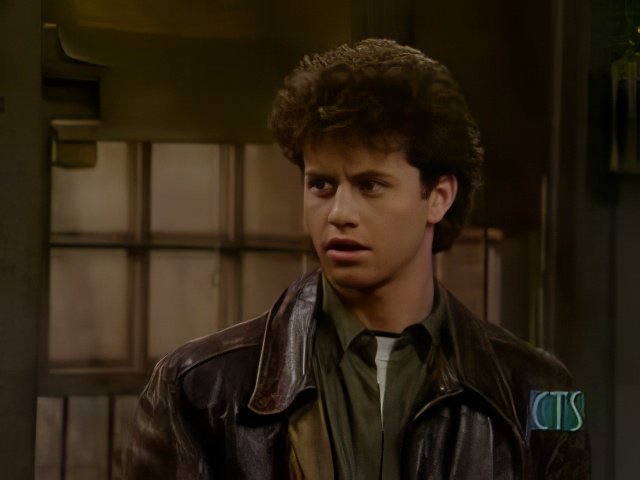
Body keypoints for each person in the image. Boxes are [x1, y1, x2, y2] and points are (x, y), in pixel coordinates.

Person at [125, 39, 590, 479]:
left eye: (370, 185)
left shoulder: (538, 389)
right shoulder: (200, 388)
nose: (339, 213)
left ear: (438, 197)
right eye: (321, 185)